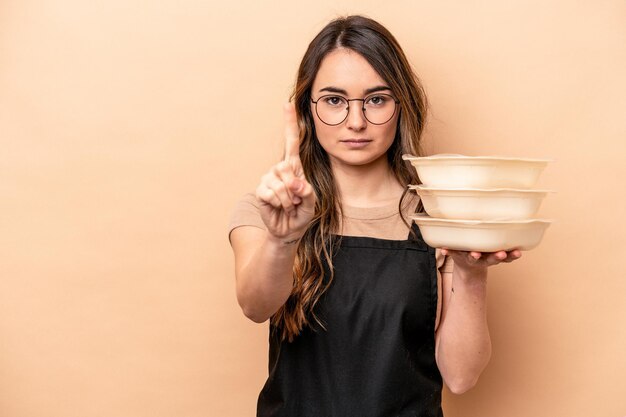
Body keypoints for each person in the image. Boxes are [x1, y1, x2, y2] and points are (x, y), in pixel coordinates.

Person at [228, 15, 521, 417]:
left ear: (401, 105)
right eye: (334, 100)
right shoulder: (266, 210)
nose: (356, 121)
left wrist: (471, 273)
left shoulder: (440, 216)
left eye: (376, 99)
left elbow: (461, 376)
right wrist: (283, 239)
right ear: (305, 110)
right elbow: (255, 306)